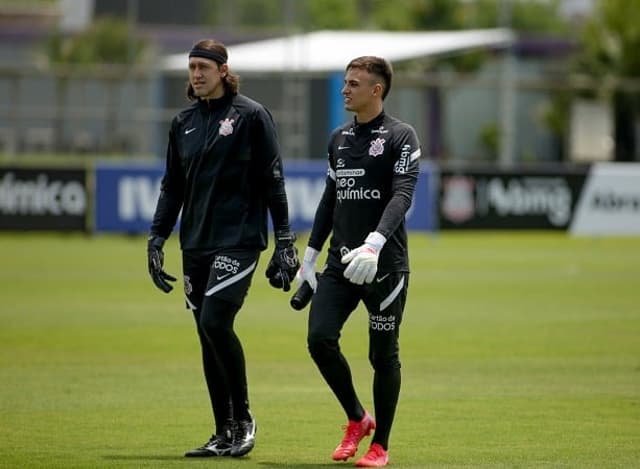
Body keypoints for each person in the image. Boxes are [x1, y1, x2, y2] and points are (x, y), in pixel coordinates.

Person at [146, 38, 299, 459]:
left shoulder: (251, 115)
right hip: (195, 242)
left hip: (239, 238)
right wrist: (157, 236)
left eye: (204, 67)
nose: (196, 74)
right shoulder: (183, 123)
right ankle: (222, 431)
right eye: (192, 67)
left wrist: (284, 237)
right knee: (205, 334)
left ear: (223, 70)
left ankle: (244, 420)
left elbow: (274, 178)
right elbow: (172, 186)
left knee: (215, 321)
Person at [296, 56, 421, 467]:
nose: (345, 89)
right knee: (319, 339)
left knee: (382, 357)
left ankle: (380, 444)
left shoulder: (402, 136)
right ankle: (357, 417)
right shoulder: (338, 139)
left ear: (376, 90)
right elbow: (330, 199)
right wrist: (310, 257)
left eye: (353, 83)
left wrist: (375, 243)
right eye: (345, 82)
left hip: (384, 265)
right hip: (340, 263)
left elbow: (402, 195)